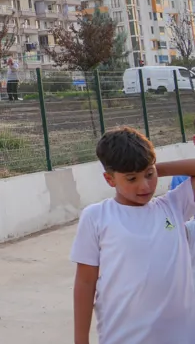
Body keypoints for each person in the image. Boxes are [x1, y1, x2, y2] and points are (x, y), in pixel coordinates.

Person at [70, 126, 195, 344]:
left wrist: (155, 167)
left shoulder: (173, 205)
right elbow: (85, 283)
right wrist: (81, 340)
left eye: (149, 175)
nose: (144, 186)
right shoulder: (97, 217)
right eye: (131, 179)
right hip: (123, 337)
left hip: (181, 337)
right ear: (110, 180)